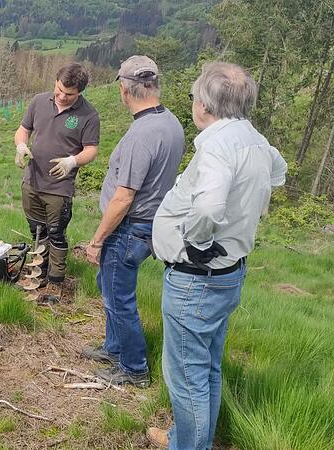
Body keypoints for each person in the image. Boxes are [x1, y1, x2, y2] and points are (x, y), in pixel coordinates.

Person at [146, 62, 287, 449]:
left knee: (186, 378)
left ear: (205, 105)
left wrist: (198, 243)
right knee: (205, 368)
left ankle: (187, 446)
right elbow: (279, 171)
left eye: (194, 96)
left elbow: (208, 208)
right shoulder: (254, 140)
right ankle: (190, 440)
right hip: (227, 276)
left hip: (197, 280)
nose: (193, 103)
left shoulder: (217, 146)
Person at [80, 56, 185, 388]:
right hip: (146, 225)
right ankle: (114, 348)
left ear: (124, 88)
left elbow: (124, 196)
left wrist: (97, 240)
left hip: (129, 228)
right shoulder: (170, 122)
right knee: (108, 286)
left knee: (118, 298)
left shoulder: (144, 134)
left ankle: (133, 367)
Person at [14, 63, 101, 303]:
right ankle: (38, 274)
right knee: (36, 230)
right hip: (32, 180)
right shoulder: (39, 101)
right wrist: (21, 146)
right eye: (59, 89)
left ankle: (55, 282)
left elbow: (91, 149)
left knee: (56, 233)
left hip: (59, 187)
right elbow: (23, 130)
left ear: (80, 92)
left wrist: (73, 161)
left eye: (69, 94)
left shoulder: (88, 115)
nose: (62, 96)